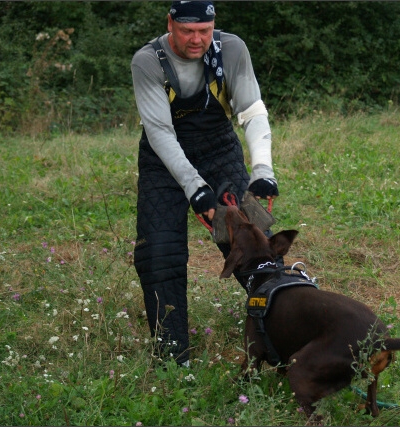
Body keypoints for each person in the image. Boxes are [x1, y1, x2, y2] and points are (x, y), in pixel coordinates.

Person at [131, 1, 278, 367]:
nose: (196, 39)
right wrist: (196, 188)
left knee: (252, 243)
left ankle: (283, 331)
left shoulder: (231, 49)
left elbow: (252, 111)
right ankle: (172, 359)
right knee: (158, 255)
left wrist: (263, 170)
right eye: (187, 30)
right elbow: (160, 133)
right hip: (162, 161)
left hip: (218, 149)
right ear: (170, 24)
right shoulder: (147, 61)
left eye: (205, 30)